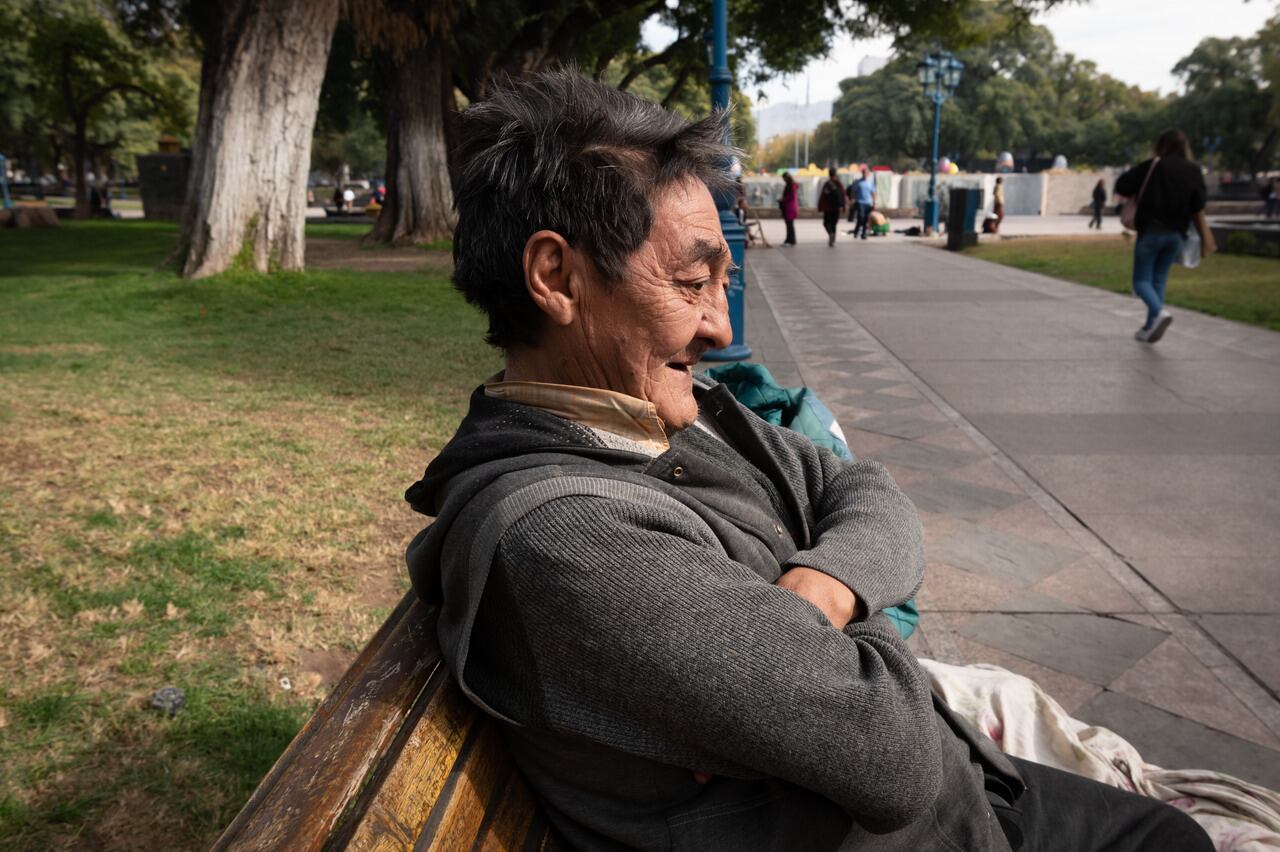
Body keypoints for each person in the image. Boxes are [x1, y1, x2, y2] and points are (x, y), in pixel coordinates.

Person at [404, 70, 1215, 852]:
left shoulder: (666, 412)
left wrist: (820, 591)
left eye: (723, 281)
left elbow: (867, 486)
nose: (720, 329)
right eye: (692, 282)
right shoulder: (570, 540)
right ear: (558, 277)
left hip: (972, 794)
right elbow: (891, 756)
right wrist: (859, 603)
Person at [1114, 129, 1207, 343]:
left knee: (1141, 281)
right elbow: (1199, 203)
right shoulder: (1193, 170)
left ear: (1161, 145)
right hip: (1176, 235)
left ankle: (1158, 312)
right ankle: (1149, 327)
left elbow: (1123, 185)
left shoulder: (1154, 166)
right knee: (1158, 280)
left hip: (1152, 231)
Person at [817, 166, 846, 246]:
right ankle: (832, 240)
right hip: (836, 207)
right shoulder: (839, 184)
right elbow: (843, 195)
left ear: (829, 174)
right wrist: (843, 206)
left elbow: (823, 196)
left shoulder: (827, 184)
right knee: (834, 224)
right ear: (835, 174)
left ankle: (830, 234)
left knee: (826, 223)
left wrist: (820, 207)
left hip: (828, 208)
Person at [851, 168, 876, 240]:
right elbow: (853, 192)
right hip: (860, 202)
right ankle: (857, 231)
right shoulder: (858, 182)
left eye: (866, 173)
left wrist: (874, 202)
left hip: (868, 203)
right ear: (862, 173)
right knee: (861, 216)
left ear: (868, 174)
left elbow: (873, 193)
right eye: (864, 173)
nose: (865, 174)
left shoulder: (870, 183)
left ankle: (863, 233)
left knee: (865, 219)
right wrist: (852, 200)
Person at [779, 171, 798, 246]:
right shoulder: (790, 185)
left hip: (789, 208)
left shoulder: (790, 185)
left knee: (790, 225)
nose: (783, 180)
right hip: (790, 207)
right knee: (789, 224)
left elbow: (791, 196)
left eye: (784, 178)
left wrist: (783, 199)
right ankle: (789, 239)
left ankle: (791, 240)